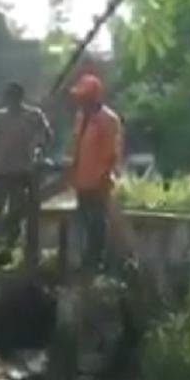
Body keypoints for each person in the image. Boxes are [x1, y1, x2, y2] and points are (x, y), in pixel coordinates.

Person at [0, 82, 53, 253]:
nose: (11, 101)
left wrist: (38, 149)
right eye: (9, 98)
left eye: (14, 97)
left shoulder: (33, 115)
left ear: (20, 98)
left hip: (22, 170)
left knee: (16, 210)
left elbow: (47, 135)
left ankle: (10, 245)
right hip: (0, 169)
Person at [67, 74, 122, 272]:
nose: (81, 101)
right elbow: (76, 146)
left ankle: (96, 262)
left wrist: (102, 177)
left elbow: (112, 154)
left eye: (84, 97)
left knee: (97, 223)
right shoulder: (81, 117)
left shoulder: (108, 120)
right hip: (82, 181)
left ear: (94, 97)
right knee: (83, 222)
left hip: (99, 181)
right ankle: (84, 261)